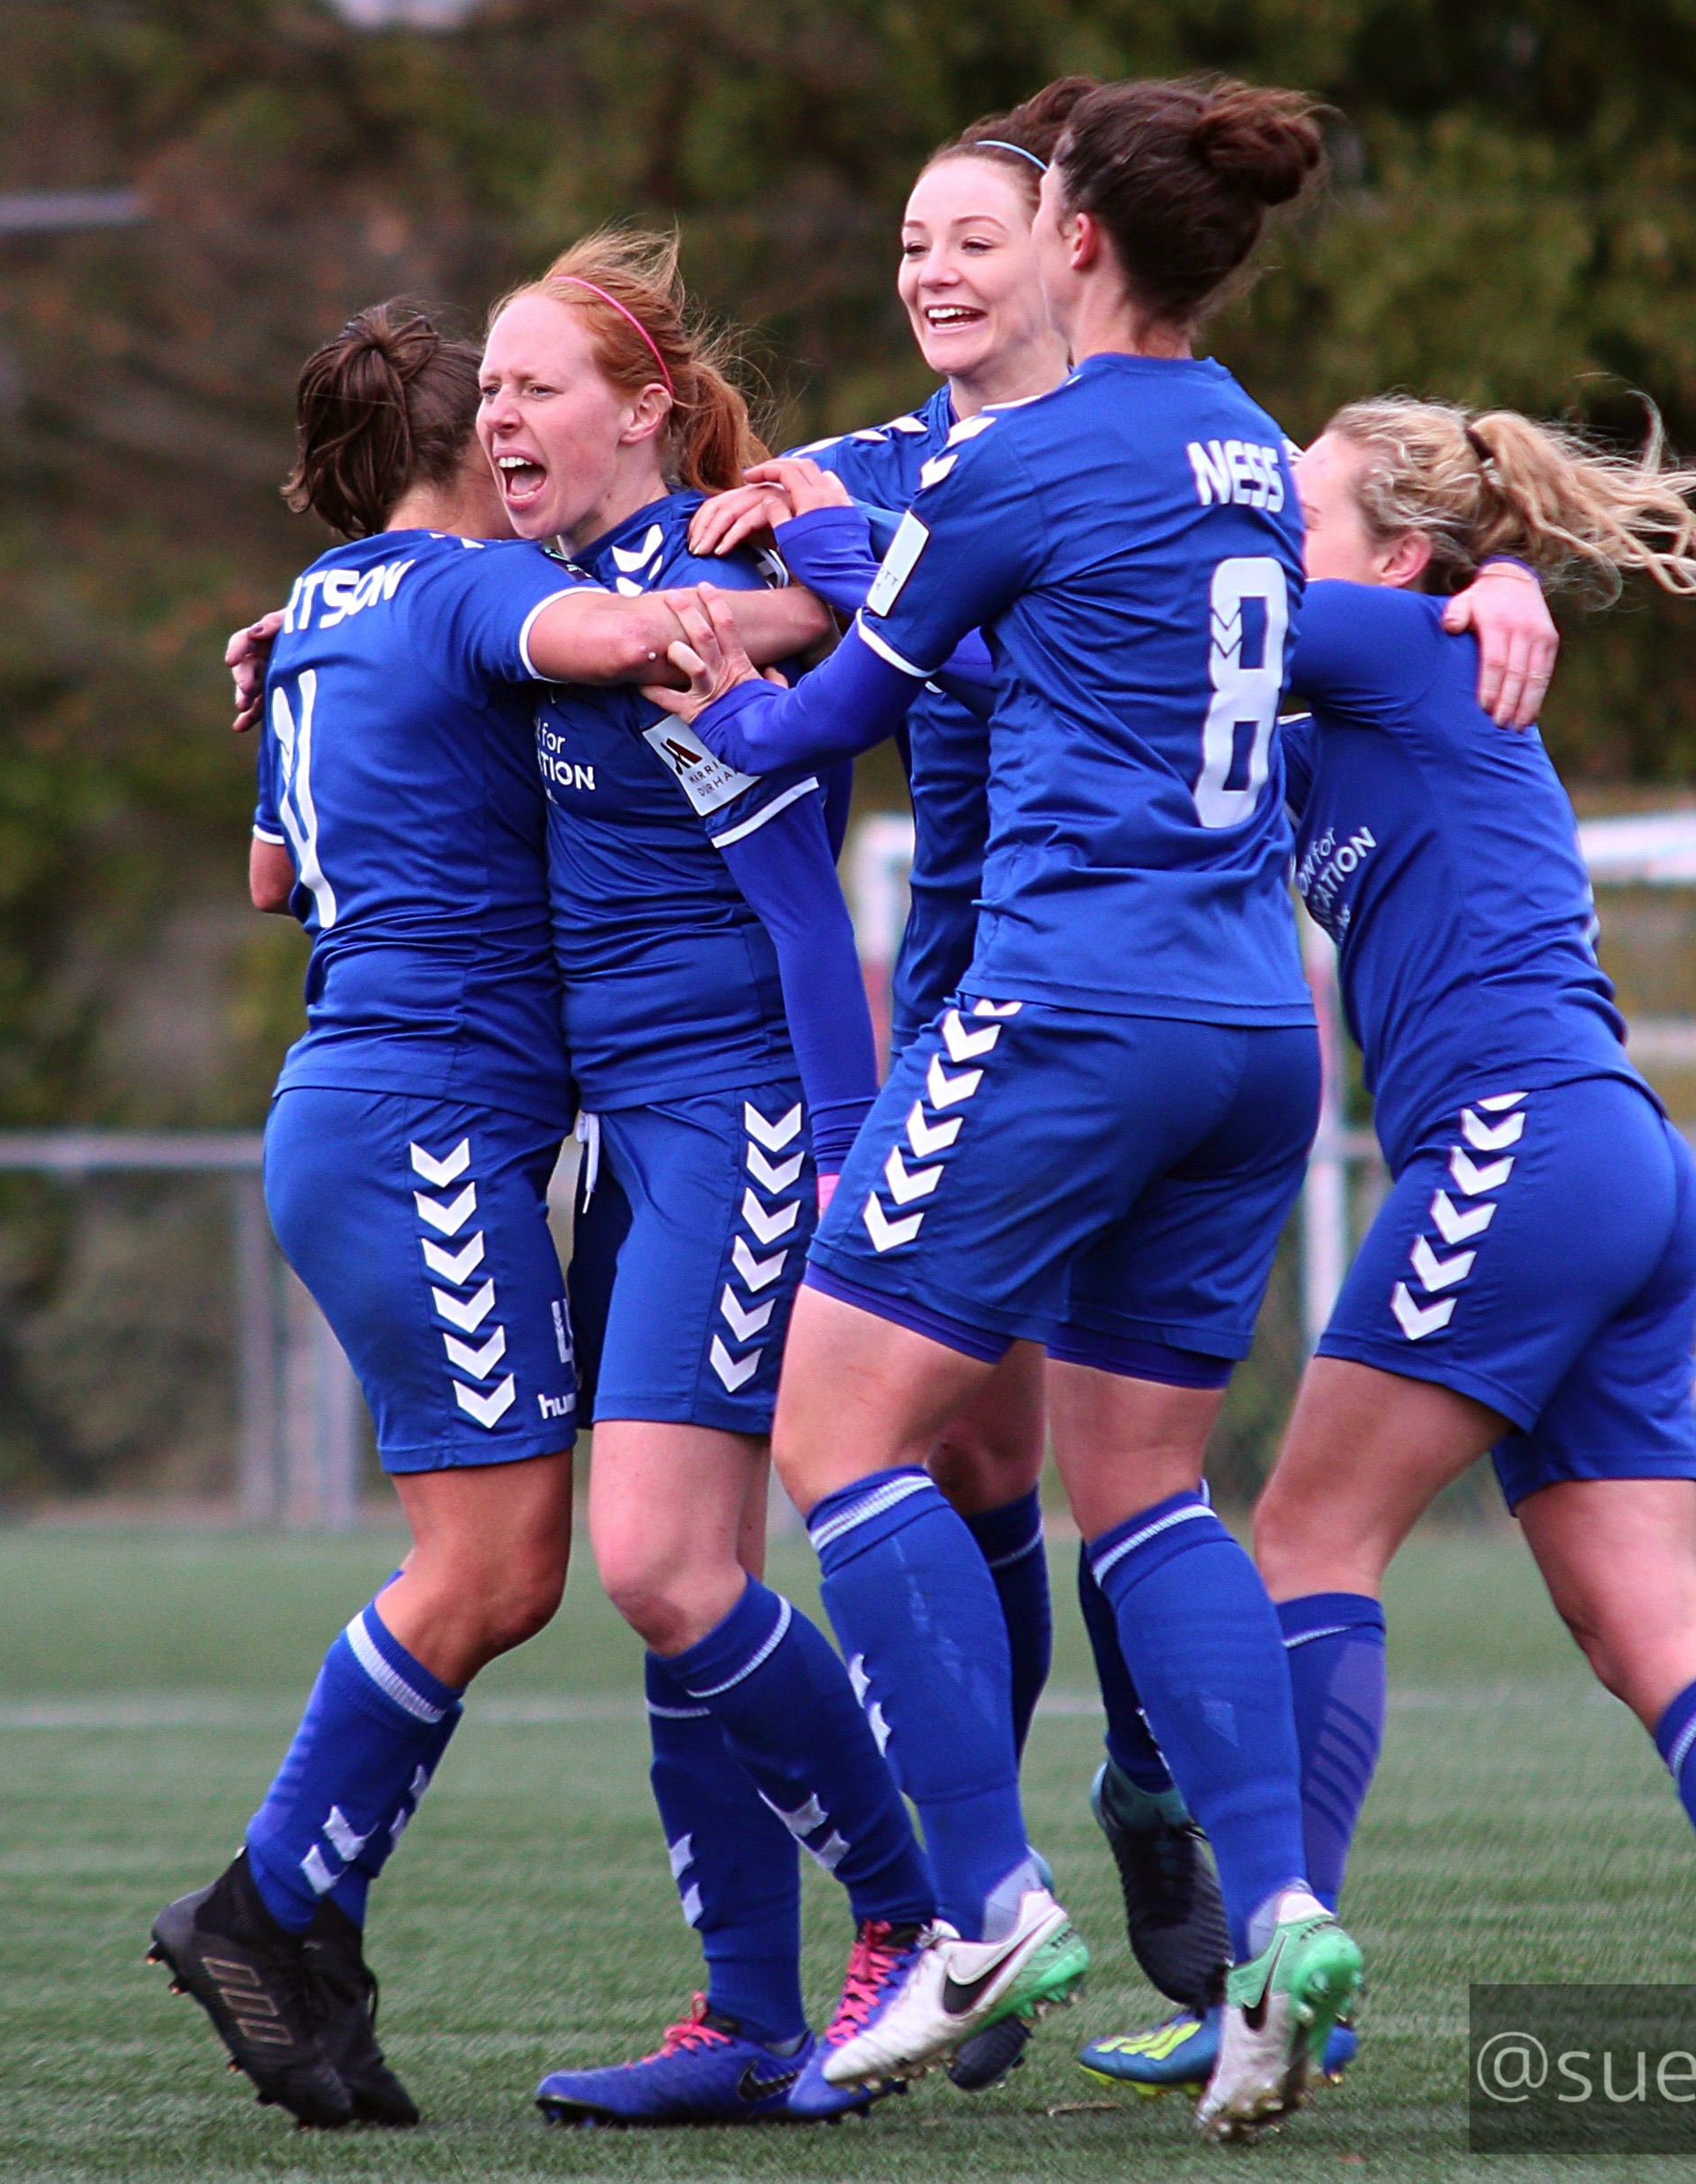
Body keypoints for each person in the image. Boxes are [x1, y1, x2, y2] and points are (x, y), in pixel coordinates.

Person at [685, 85, 1563, 2090]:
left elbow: (833, 709)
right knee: (1148, 1485)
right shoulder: (1253, 446)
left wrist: (719, 695)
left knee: (834, 1429)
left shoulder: (1020, 456)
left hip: (1071, 1006)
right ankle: (1275, 1922)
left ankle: (983, 1916)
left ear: (1075, 242)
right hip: (1259, 1028)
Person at [1176, 395, 1696, 2139]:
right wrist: (1505, 583)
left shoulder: (1396, 640)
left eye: (1291, 517)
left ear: (1400, 557)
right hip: (1613, 1164)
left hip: (1522, 1144)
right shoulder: (1367, 681)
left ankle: (1277, 1994)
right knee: (1637, 1619)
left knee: (1300, 1535)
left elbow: (1164, 612)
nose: (1258, 546)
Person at [144, 305, 841, 2130]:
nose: (529, 428)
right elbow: (603, 632)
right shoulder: (454, 584)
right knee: (496, 1570)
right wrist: (788, 620)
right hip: (426, 1125)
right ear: (465, 445)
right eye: (510, 402)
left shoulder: (318, 610)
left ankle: (306, 1934)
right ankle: (263, 1905)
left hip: (365, 1107)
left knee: (511, 1568)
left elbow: (267, 871)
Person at [468, 228, 953, 2131]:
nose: (498, 414)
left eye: (534, 385)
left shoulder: (734, 544)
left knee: (661, 1564)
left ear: (644, 410)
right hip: (623, 1138)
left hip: (753, 1116)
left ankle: (924, 1924)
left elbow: (879, 596)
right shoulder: (546, 592)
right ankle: (745, 2013)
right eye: (486, 391)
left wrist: (750, 608)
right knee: (689, 1589)